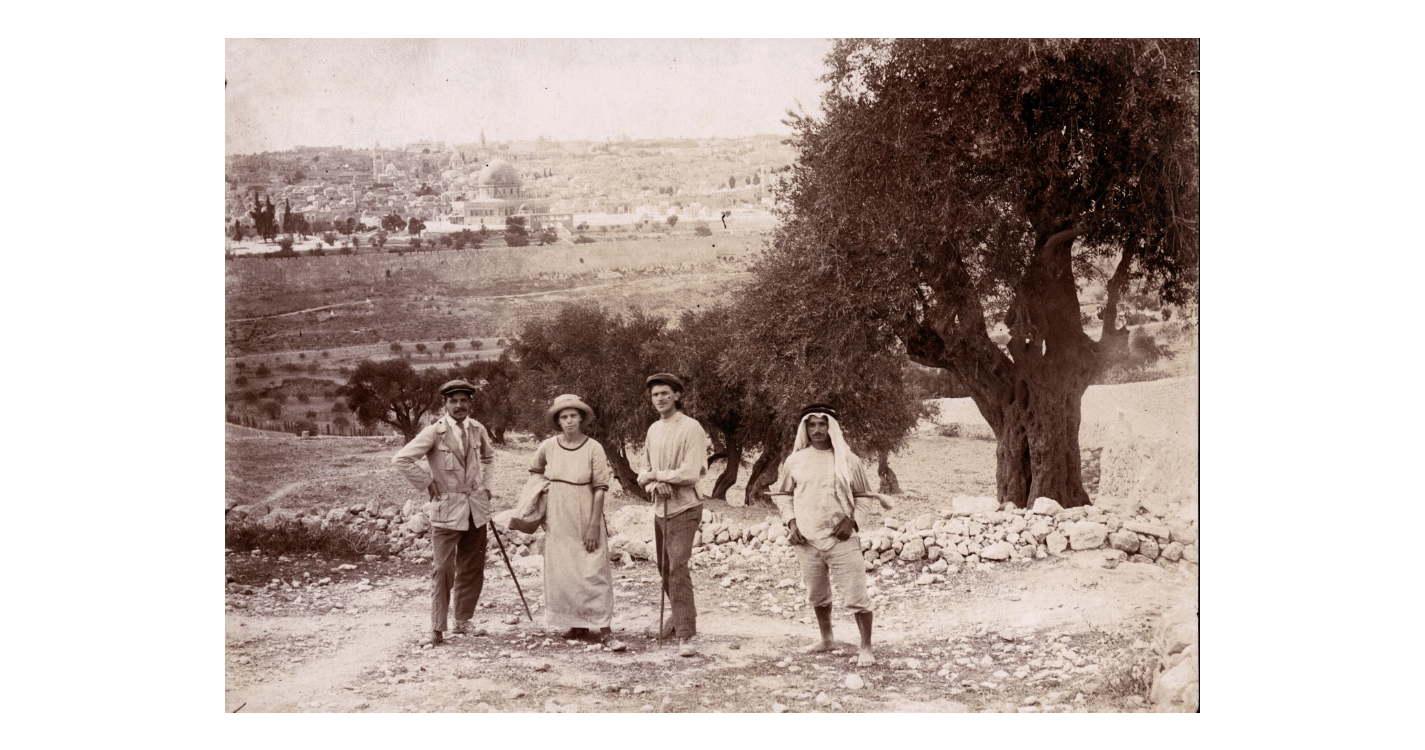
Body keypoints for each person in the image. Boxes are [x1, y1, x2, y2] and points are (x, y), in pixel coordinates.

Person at [770, 404, 893, 667]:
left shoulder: (849, 460)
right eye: (811, 424)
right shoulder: (794, 461)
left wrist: (853, 521)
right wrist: (791, 524)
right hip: (806, 540)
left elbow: (863, 497)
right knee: (817, 594)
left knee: (856, 596)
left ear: (831, 427)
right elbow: (783, 496)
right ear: (805, 428)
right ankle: (826, 639)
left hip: (842, 541)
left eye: (822, 424)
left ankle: (866, 648)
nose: (817, 430)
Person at [392, 379, 497, 646]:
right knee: (442, 569)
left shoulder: (477, 429)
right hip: (446, 510)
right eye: (454, 401)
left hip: (476, 509)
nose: (459, 406)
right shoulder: (433, 433)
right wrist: (427, 483)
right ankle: (437, 628)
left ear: (470, 403)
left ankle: (463, 621)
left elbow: (488, 457)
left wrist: (487, 486)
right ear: (445, 404)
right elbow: (401, 459)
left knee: (472, 568)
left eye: (464, 401)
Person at [529, 394, 627, 652]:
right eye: (564, 416)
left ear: (581, 418)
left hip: (586, 512)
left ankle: (605, 630)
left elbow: (600, 487)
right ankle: (577, 624)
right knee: (564, 570)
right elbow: (535, 471)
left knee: (593, 569)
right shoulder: (548, 446)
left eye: (574, 415)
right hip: (558, 514)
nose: (569, 420)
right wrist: (542, 498)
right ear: (557, 421)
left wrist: (594, 524)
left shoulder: (593, 447)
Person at [637, 373, 708, 657]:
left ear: (677, 396)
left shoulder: (692, 428)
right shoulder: (653, 429)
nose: (660, 399)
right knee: (664, 568)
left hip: (684, 508)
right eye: (655, 395)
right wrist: (655, 482)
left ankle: (685, 634)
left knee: (678, 568)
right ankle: (676, 619)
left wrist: (658, 475)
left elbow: (691, 472)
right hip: (660, 507)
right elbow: (643, 470)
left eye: (665, 393)